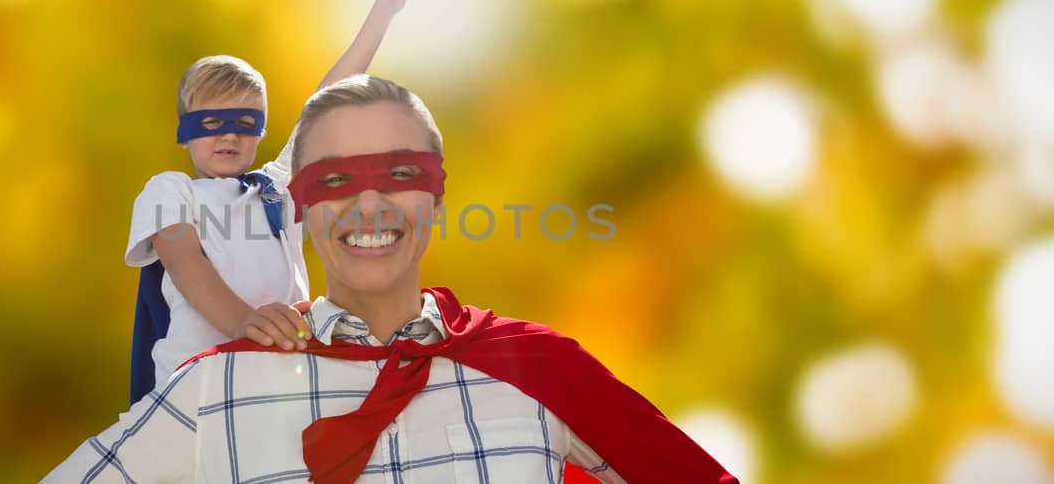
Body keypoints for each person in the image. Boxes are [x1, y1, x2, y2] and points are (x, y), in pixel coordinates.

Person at [49, 75, 736, 483]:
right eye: (336, 179)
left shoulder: (537, 369)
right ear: (301, 209)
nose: (369, 204)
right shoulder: (215, 387)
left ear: (436, 199)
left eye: (399, 173)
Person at [125, 0, 420, 403]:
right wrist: (245, 322)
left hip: (283, 382)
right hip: (195, 392)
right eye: (210, 123)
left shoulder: (276, 189)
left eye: (243, 122)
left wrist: (385, 7)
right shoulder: (170, 190)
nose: (227, 135)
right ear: (184, 133)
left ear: (260, 131)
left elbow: (329, 99)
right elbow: (186, 262)